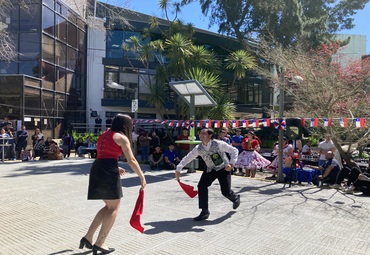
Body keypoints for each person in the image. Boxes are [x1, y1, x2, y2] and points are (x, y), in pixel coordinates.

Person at [80, 114, 146, 254]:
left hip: (97, 168)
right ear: (126, 125)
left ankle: (88, 237)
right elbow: (132, 160)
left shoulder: (104, 134)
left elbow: (103, 156)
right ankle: (100, 242)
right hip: (108, 171)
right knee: (114, 208)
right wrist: (141, 176)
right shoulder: (122, 138)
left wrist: (116, 167)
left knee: (109, 206)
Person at [175, 128, 240, 221]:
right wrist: (178, 169)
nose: (201, 135)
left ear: (210, 135)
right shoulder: (198, 148)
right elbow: (188, 157)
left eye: (204, 133)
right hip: (210, 169)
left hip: (223, 169)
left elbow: (234, 150)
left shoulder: (218, 143)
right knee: (201, 186)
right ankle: (204, 211)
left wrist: (231, 164)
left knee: (225, 192)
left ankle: (235, 198)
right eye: (200, 133)